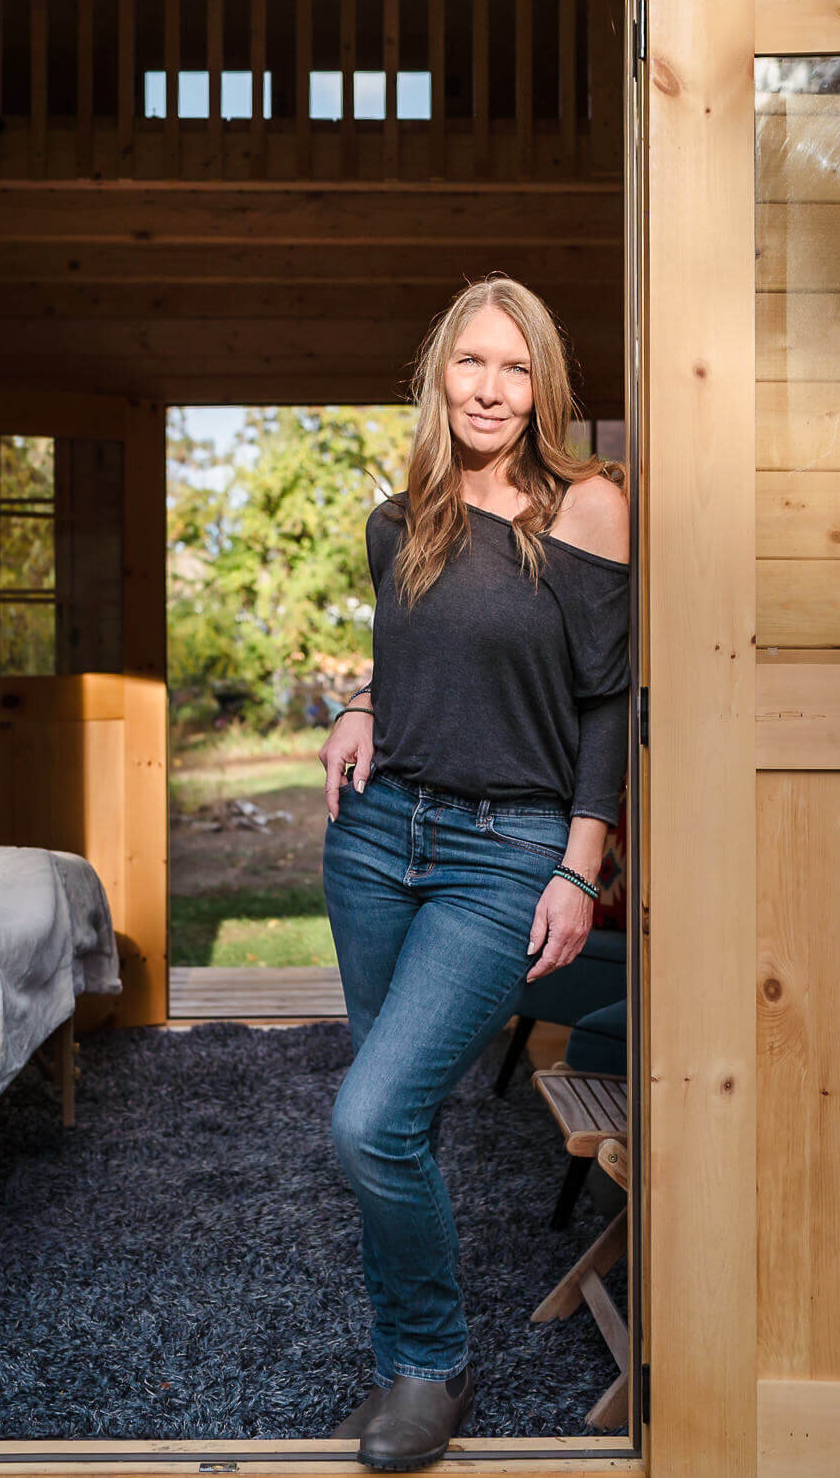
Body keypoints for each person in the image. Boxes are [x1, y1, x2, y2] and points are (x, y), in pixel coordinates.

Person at [318, 274, 631, 1471]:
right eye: (471, 362)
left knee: (368, 1121)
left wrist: (578, 866)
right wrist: (358, 703)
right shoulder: (399, 520)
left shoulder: (586, 508)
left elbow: (603, 700)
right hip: (375, 837)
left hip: (504, 855)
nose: (491, 389)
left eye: (515, 367)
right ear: (437, 375)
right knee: (394, 1121)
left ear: (542, 386)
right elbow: (417, 659)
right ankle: (407, 1363)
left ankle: (430, 1363)